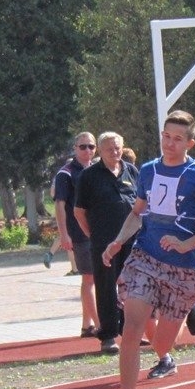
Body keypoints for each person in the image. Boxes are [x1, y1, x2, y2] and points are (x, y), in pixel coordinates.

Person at [104, 111, 195, 389]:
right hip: (145, 258)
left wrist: (187, 244)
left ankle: (188, 311)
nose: (170, 144)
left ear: (190, 143)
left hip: (183, 270)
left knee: (162, 345)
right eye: (166, 136)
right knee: (131, 328)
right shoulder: (148, 171)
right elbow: (137, 213)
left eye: (177, 139)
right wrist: (118, 241)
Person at [74, 132, 140, 355]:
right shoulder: (89, 176)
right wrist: (93, 236)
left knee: (133, 287)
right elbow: (79, 211)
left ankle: (131, 331)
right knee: (105, 288)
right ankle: (108, 335)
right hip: (104, 242)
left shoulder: (131, 171)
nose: (115, 152)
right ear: (100, 151)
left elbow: (140, 204)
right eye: (110, 149)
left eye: (118, 148)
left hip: (132, 241)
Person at [50, 132, 99, 337]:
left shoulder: (96, 169)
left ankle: (87, 324)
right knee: (89, 278)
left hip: (98, 232)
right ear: (75, 148)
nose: (87, 150)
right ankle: (101, 326)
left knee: (92, 278)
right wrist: (64, 234)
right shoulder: (66, 173)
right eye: (83, 146)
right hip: (79, 233)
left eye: (91, 146)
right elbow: (59, 205)